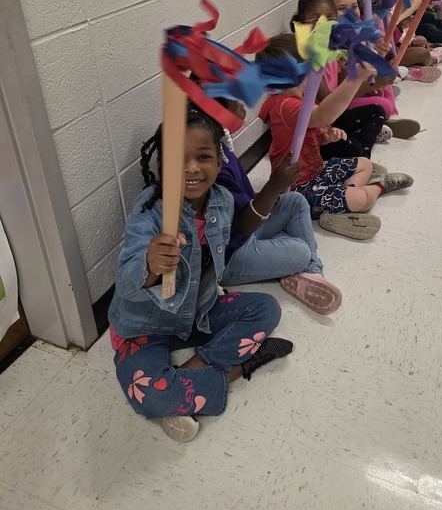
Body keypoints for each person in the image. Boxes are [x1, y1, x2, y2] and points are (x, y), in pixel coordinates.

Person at [108, 106, 293, 442]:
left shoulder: (221, 199)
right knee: (151, 396)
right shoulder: (149, 209)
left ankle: (190, 375)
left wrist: (275, 186)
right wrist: (151, 265)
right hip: (143, 327)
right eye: (178, 159)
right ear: (162, 167)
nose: (191, 168)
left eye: (203, 157)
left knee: (268, 308)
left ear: (220, 162)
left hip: (197, 314)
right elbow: (125, 283)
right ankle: (241, 366)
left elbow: (239, 232)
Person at [256, 34, 414, 231]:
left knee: (364, 163)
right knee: (362, 198)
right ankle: (380, 188)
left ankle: (339, 207)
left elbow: (302, 135)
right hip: (298, 189)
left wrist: (323, 138)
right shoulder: (284, 105)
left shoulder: (299, 99)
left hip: (315, 172)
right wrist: (355, 79)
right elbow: (323, 115)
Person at [214, 97, 342, 314]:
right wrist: (273, 186)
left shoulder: (220, 147)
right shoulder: (213, 165)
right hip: (229, 255)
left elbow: (242, 204)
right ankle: (302, 262)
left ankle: (312, 273)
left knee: (295, 202)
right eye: (234, 101)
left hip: (246, 230)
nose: (242, 104)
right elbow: (242, 226)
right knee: (300, 251)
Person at [291, 0, 391, 153]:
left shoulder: (334, 51)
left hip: (333, 120)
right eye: (316, 20)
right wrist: (363, 82)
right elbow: (328, 99)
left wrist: (347, 67)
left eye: (330, 19)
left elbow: (342, 85)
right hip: (316, 128)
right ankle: (360, 156)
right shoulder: (307, 57)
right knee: (354, 147)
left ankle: (358, 151)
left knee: (378, 110)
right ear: (301, 24)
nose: (324, 25)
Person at [322, 0, 429, 123]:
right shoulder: (331, 42)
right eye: (342, 8)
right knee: (382, 103)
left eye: (354, 6)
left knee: (385, 87)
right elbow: (340, 88)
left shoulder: (359, 32)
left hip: (354, 89)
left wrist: (379, 55)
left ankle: (391, 117)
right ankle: (381, 119)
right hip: (338, 102)